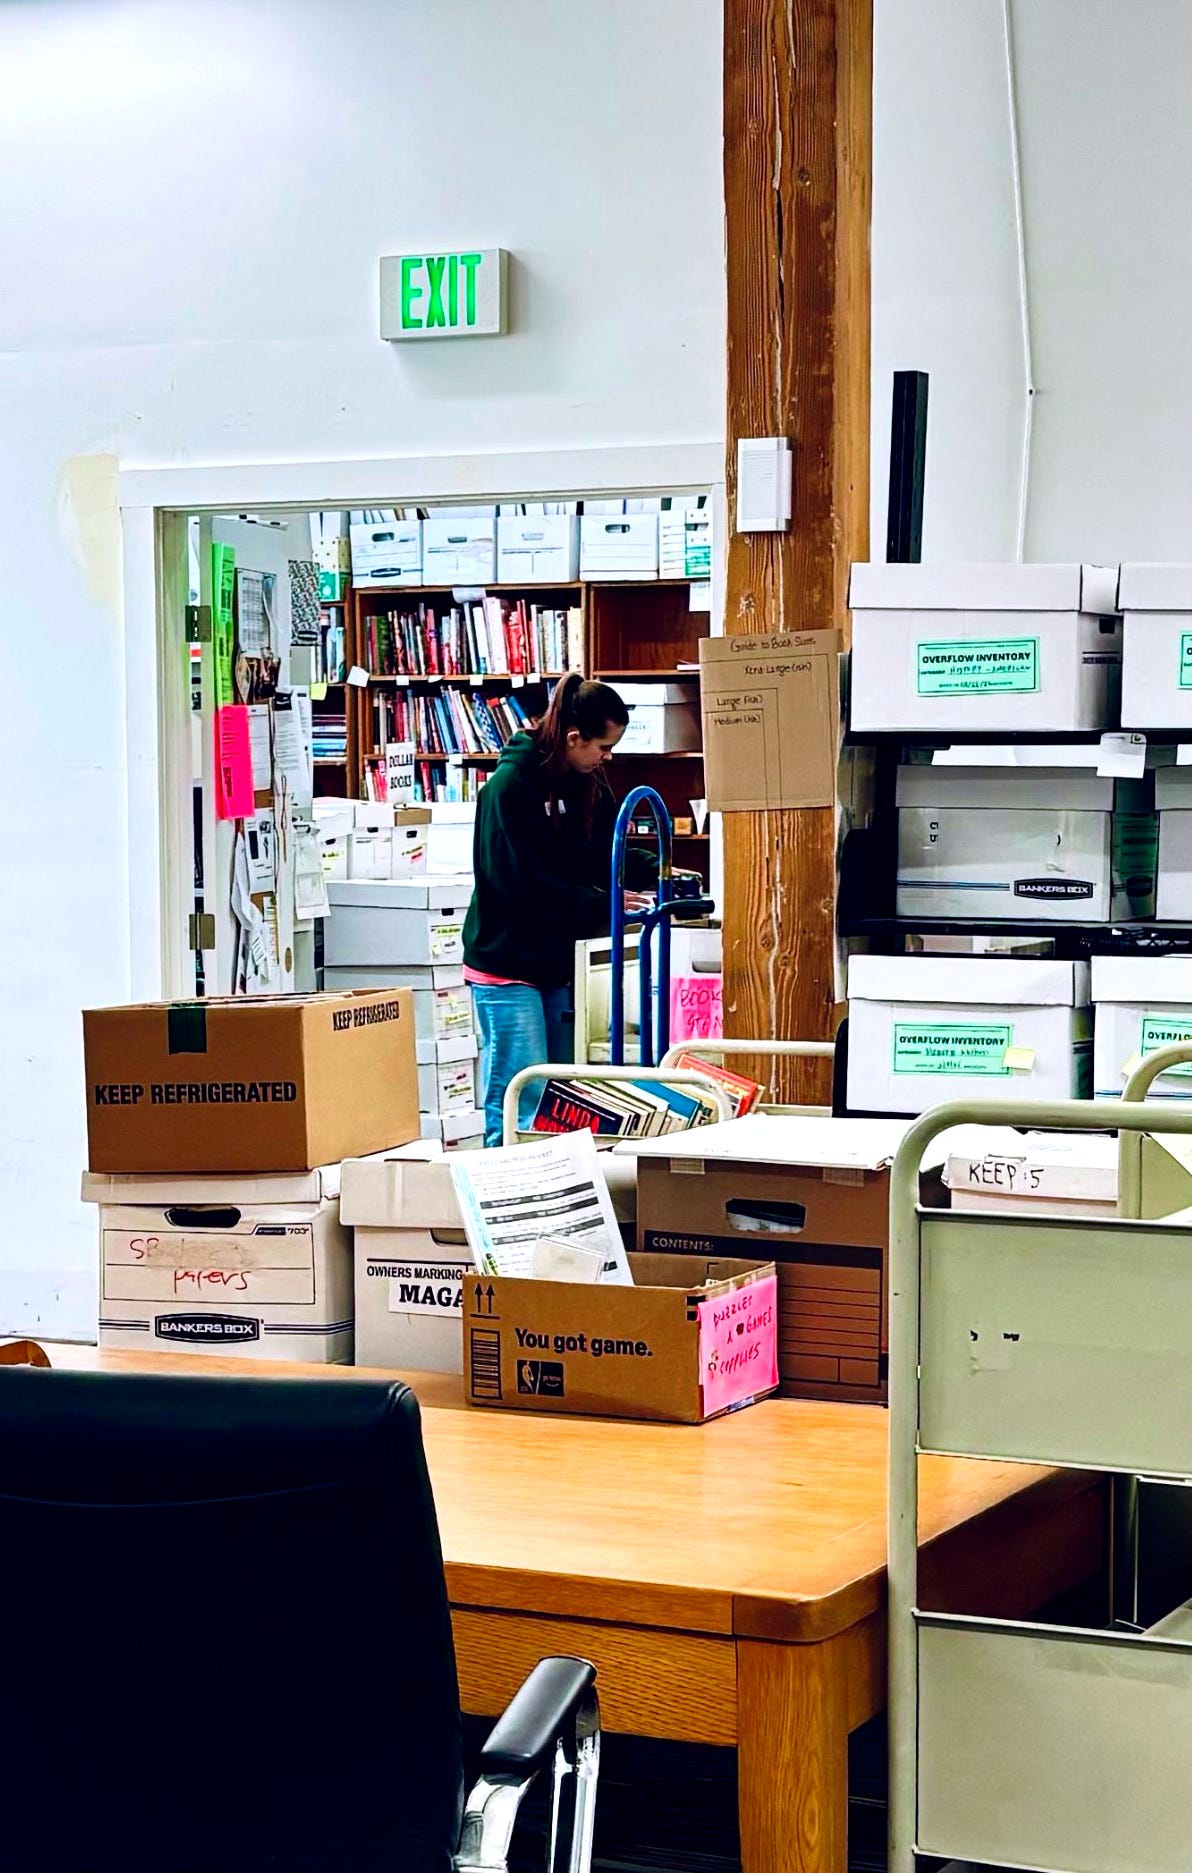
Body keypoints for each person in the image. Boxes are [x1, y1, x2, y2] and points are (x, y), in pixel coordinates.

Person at [462, 674, 657, 1145]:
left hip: (556, 960)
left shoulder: (585, 782)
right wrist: (599, 903)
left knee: (557, 1093)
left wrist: (664, 871)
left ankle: (554, 1187)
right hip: (507, 960)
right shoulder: (509, 789)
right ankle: (503, 1187)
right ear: (574, 738)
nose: (607, 757)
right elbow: (521, 886)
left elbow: (605, 851)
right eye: (602, 747)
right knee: (518, 1089)